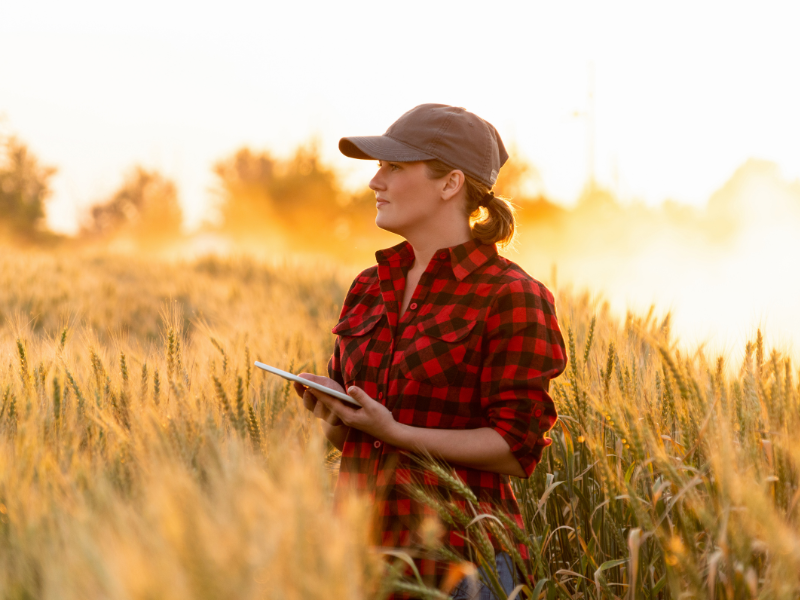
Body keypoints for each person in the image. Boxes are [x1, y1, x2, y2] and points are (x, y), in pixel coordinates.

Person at [293, 104, 567, 599]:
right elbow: (365, 446)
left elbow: (515, 448)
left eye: (394, 167)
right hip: (362, 559)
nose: (375, 181)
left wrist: (393, 430)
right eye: (379, 167)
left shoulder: (510, 295)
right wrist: (337, 415)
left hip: (462, 568)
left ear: (450, 184)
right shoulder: (368, 287)